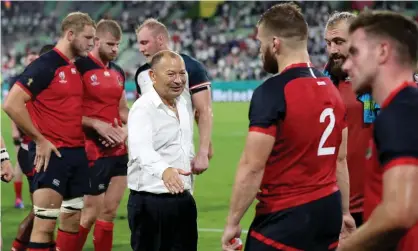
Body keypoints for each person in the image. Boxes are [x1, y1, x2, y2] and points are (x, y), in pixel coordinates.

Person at [221, 3, 349, 251]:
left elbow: (252, 166)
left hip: (286, 215)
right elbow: (340, 160)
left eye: (261, 43)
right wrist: (344, 212)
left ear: (275, 43)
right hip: (329, 210)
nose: (260, 50)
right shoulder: (332, 90)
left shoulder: (272, 91)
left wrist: (233, 222)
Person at [2, 12, 95, 251]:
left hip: (76, 155)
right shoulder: (45, 64)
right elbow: (12, 103)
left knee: (72, 223)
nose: (91, 43)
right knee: (44, 225)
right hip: (51, 155)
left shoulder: (73, 67)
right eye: (88, 37)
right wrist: (39, 139)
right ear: (70, 34)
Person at [339, 10, 418, 251]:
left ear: (382, 52)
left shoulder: (401, 111)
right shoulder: (406, 106)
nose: (346, 65)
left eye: (354, 53)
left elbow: (399, 212)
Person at [127, 50, 197, 251]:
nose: (178, 80)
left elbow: (184, 145)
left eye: (182, 73)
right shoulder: (143, 108)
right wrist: (164, 171)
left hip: (182, 199)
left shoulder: (183, 104)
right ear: (152, 76)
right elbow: (141, 150)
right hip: (151, 202)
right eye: (171, 74)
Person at [135, 19, 213, 190]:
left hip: (179, 154)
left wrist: (203, 150)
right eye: (139, 44)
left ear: (160, 40)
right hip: (148, 156)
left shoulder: (192, 67)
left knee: (177, 207)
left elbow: (204, 111)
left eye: (145, 42)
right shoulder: (141, 74)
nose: (141, 49)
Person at [74, 19, 128, 251]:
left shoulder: (118, 72)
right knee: (90, 213)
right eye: (110, 44)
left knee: (109, 213)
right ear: (96, 41)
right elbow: (67, 111)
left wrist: (124, 132)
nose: (115, 50)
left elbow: (124, 110)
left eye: (118, 45)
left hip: (119, 150)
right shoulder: (80, 67)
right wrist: (96, 125)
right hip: (92, 150)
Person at [324, 11, 372, 229]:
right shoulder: (322, 84)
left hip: (382, 204)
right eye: (328, 43)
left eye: (339, 42)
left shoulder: (387, 77)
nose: (332, 50)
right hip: (337, 207)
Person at [10, 44, 55, 251]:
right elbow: (13, 107)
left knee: (46, 209)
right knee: (42, 209)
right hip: (33, 152)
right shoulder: (35, 83)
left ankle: (42, 243)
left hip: (36, 151)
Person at [10, 50, 39, 209]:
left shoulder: (40, 77)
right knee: (21, 165)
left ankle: (35, 198)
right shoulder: (18, 79)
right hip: (22, 128)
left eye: (35, 58)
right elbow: (11, 105)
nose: (33, 61)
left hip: (37, 127)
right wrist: (14, 128)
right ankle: (19, 199)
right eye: (30, 58)